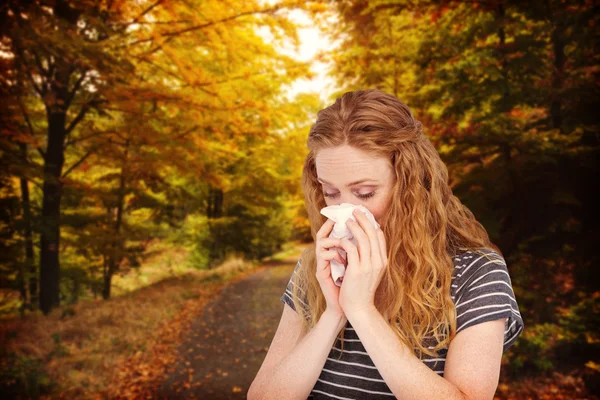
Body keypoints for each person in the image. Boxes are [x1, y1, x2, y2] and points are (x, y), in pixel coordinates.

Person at [248, 89, 524, 399]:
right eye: (331, 192)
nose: (345, 212)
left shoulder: (476, 272)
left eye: (364, 193)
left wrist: (362, 311)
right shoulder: (318, 263)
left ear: (411, 185)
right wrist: (333, 314)